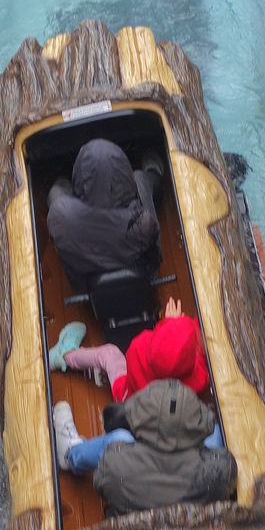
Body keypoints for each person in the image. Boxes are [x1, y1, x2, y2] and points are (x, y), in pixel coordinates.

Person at [54, 380, 235, 514]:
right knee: (217, 435)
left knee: (119, 438)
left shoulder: (112, 463)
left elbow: (101, 485)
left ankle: (70, 454)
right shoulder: (223, 467)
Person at [45, 138, 162, 289]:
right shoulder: (143, 224)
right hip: (143, 279)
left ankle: (61, 177)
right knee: (140, 179)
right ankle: (154, 172)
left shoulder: (61, 217)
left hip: (85, 288)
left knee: (57, 191)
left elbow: (59, 205)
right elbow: (153, 252)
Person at [57, 296, 208, 403]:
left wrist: (168, 324)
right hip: (151, 412)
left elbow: (155, 340)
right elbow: (198, 361)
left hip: (127, 399)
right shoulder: (200, 379)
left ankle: (65, 356)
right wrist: (177, 328)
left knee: (109, 353)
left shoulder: (139, 349)